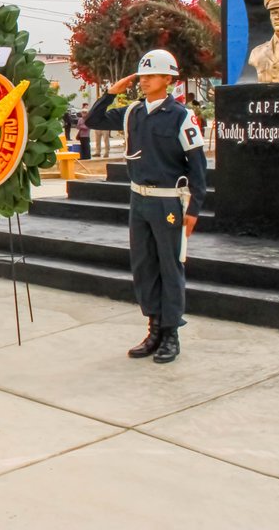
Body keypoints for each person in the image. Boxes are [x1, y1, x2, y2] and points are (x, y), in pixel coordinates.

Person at [85, 49, 207, 364]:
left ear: (168, 79)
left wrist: (194, 209)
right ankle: (153, 327)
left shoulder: (181, 116)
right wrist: (113, 91)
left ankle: (171, 333)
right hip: (139, 199)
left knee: (170, 266)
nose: (145, 81)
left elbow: (197, 166)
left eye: (152, 75)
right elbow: (94, 118)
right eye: (142, 76)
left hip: (168, 200)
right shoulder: (132, 113)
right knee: (144, 266)